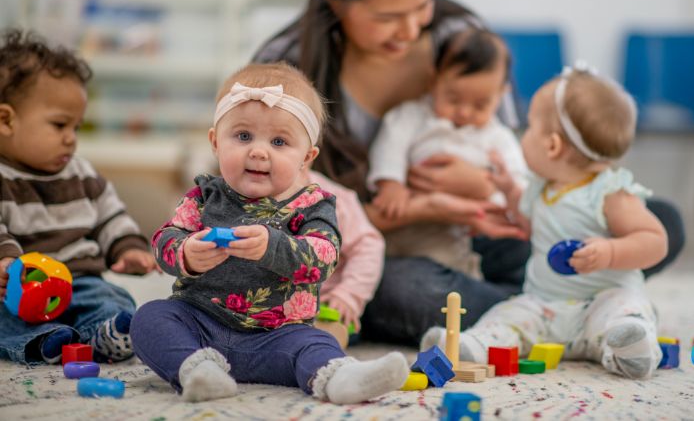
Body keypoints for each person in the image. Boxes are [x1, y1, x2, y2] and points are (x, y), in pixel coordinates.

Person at [253, 0, 685, 344]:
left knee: (659, 222)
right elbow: (278, 209)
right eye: (387, 16)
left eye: (421, 6)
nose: (410, 29)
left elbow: (509, 149)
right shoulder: (286, 67)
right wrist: (427, 206)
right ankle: (570, 306)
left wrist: (485, 187)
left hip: (483, 222)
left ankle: (547, 305)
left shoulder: (460, 38)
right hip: (371, 248)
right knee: (404, 293)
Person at [130, 63, 408, 404]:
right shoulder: (203, 196)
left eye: (279, 141)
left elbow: (323, 257)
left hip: (278, 337)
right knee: (149, 318)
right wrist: (186, 252)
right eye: (243, 136)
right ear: (216, 142)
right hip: (201, 324)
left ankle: (341, 378)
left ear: (306, 158)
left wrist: (272, 246)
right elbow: (164, 239)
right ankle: (197, 371)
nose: (259, 151)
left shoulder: (313, 204)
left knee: (317, 343)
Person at [423, 65, 666, 379]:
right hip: (544, 304)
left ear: (552, 145)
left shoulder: (609, 192)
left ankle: (629, 345)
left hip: (600, 300)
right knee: (508, 315)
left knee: (624, 310)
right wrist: (508, 189)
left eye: (531, 127)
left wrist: (611, 252)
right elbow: (527, 221)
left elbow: (655, 239)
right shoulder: (541, 187)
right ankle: (470, 346)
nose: (524, 133)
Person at [0, 30, 156, 365]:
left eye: (76, 127)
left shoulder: (82, 174)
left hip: (79, 281)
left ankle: (104, 334)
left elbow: (111, 216)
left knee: (113, 298)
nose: (71, 139)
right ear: (6, 120)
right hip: (16, 292)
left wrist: (129, 248)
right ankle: (44, 341)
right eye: (59, 125)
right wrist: (5, 262)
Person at [368, 28, 527, 278]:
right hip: (409, 219)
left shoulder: (499, 137)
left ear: (501, 96)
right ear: (434, 80)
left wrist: (488, 191)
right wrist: (391, 184)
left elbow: (518, 182)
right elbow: (391, 146)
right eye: (453, 98)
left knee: (453, 263)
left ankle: (468, 288)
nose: (464, 112)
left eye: (480, 104)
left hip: (464, 229)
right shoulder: (412, 116)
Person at [312, 170, 384, 333]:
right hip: (259, 311)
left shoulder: (333, 198)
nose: (260, 152)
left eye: (279, 143)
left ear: (309, 155)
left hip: (325, 306)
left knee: (326, 335)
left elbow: (367, 246)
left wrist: (348, 294)